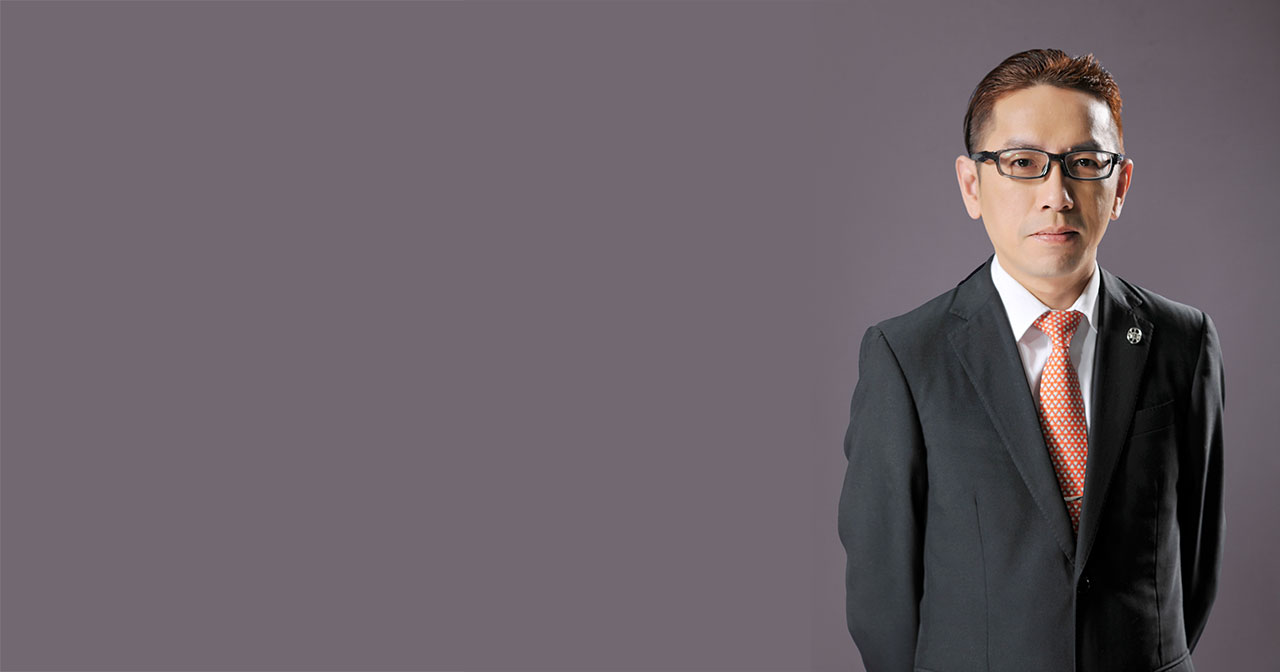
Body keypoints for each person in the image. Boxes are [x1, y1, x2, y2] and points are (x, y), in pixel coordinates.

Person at [837, 49, 1225, 672]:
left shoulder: (1184, 341)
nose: (1057, 196)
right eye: (1022, 163)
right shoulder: (906, 357)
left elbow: (1195, 565)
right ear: (972, 185)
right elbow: (882, 604)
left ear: (1120, 186)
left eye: (1085, 164)